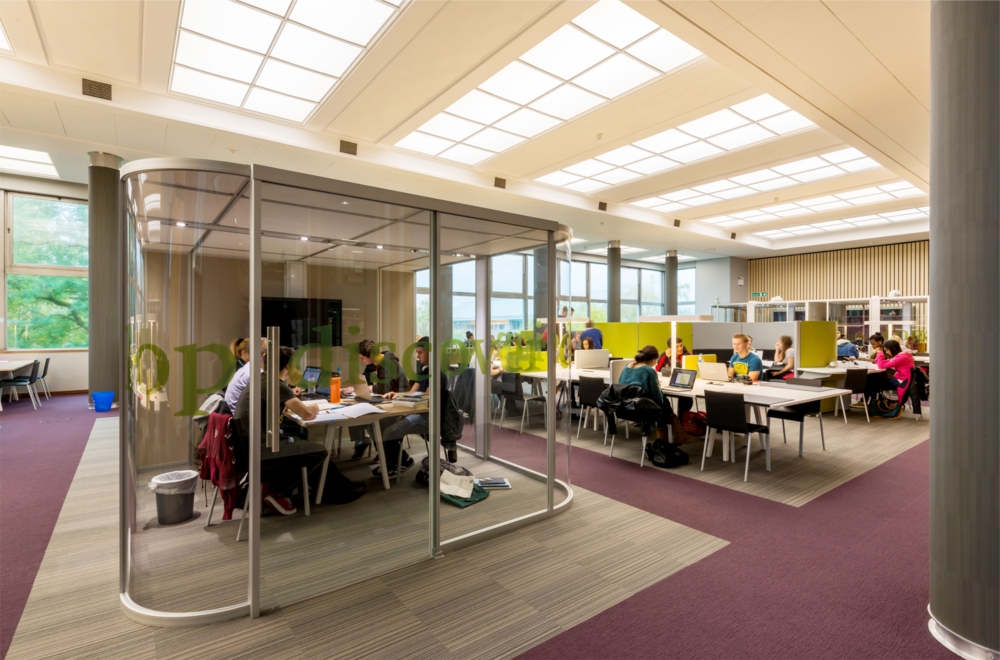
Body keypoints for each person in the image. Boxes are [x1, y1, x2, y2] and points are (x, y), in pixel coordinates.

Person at [233, 347, 327, 516]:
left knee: (298, 435)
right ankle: (278, 492)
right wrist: (315, 406)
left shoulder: (262, 379)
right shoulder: (276, 385)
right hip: (262, 448)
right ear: (288, 366)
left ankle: (282, 486)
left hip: (247, 446)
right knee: (319, 451)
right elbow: (307, 414)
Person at [381, 337, 458, 476]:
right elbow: (412, 393)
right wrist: (397, 395)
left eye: (420, 352)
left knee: (391, 431)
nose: (417, 356)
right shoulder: (424, 371)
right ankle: (398, 460)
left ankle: (394, 466)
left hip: (428, 417)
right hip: (418, 412)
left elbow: (425, 399)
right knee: (383, 423)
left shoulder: (437, 374)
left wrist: (404, 413)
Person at [346, 339, 409, 460]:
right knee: (354, 414)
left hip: (399, 403)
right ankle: (372, 448)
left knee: (374, 423)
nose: (361, 361)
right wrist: (354, 388)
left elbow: (384, 388)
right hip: (384, 401)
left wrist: (365, 388)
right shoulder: (371, 365)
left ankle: (397, 456)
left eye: (362, 358)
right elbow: (365, 383)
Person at [618, 345, 675, 442]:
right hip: (641, 410)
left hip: (624, 407)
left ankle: (671, 434)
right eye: (656, 361)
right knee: (665, 403)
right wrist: (658, 387)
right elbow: (657, 397)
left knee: (664, 404)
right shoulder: (649, 371)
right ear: (653, 360)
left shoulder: (627, 366)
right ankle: (667, 437)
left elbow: (620, 384)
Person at [225, 338, 267, 412]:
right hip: (240, 416)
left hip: (233, 414)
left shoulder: (245, 368)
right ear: (264, 355)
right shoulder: (254, 371)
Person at [872, 339, 914, 410]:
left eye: (887, 350)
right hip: (905, 380)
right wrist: (879, 356)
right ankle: (878, 403)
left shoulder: (901, 357)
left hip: (903, 382)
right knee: (874, 381)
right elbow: (883, 362)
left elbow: (881, 365)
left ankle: (877, 404)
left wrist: (880, 353)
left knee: (873, 382)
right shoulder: (903, 355)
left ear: (893, 348)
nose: (886, 352)